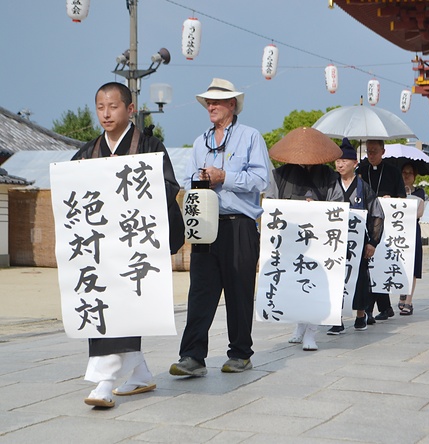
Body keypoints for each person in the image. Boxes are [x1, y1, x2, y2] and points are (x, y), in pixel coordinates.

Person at [71, 82, 184, 408]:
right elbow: (72, 190)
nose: (106, 114)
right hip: (102, 249)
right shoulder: (88, 150)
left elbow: (167, 188)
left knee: (124, 309)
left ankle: (104, 381)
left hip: (136, 245)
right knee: (103, 306)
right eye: (100, 107)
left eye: (113, 106)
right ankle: (141, 373)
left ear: (130, 109)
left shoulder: (148, 145)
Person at [169, 78, 270, 376]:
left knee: (239, 291)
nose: (210, 106)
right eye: (207, 102)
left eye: (216, 102)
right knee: (200, 292)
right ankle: (192, 356)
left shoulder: (251, 137)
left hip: (239, 225)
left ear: (232, 105)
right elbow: (187, 181)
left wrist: (225, 176)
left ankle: (240, 353)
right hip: (205, 223)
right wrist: (201, 180)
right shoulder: (200, 141)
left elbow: (262, 180)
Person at [265, 126, 343, 350]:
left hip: (318, 239)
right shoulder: (279, 175)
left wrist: (318, 208)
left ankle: (311, 332)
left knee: (314, 285)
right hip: (290, 240)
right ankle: (299, 325)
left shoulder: (328, 176)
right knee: (294, 284)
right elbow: (271, 204)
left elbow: (337, 205)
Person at [328, 138, 384, 334]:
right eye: (337, 161)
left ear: (355, 163)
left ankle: (360, 315)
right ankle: (337, 318)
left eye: (344, 161)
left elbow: (377, 214)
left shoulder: (363, 187)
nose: (340, 164)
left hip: (357, 242)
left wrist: (372, 242)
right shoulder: (330, 186)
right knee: (335, 278)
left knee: (358, 278)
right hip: (334, 242)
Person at [356, 139, 406, 322]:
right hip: (367, 224)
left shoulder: (392, 171)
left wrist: (389, 198)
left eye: (375, 151)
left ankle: (377, 308)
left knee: (381, 265)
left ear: (383, 151)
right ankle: (378, 308)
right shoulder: (360, 171)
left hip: (388, 225)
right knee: (370, 265)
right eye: (368, 151)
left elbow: (402, 196)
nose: (371, 155)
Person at [396, 162, 425, 315]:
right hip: (398, 231)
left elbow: (419, 213)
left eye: (410, 173)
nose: (406, 175)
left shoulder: (420, 192)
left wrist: (408, 197)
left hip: (413, 230)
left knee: (412, 265)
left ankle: (408, 301)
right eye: (404, 172)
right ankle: (401, 290)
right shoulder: (395, 190)